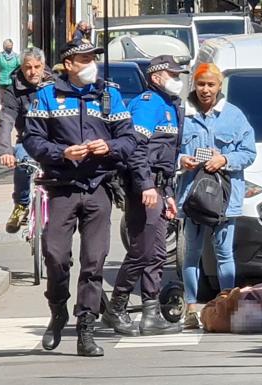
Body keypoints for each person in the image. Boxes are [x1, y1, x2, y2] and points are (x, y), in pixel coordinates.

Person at [23, 39, 136, 356]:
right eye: (84, 59)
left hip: (98, 187)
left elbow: (129, 139)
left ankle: (86, 327)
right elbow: (32, 139)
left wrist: (109, 147)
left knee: (94, 261)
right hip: (61, 187)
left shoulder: (108, 95)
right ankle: (58, 309)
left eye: (93, 59)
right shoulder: (47, 96)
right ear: (68, 64)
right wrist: (61, 153)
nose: (91, 64)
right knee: (55, 256)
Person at [103, 55, 187, 337]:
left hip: (160, 186)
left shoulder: (171, 106)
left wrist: (170, 192)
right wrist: (145, 185)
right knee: (141, 250)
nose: (177, 79)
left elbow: (168, 156)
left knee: (158, 253)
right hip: (145, 185)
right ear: (156, 77)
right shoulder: (147, 104)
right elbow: (135, 149)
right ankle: (116, 307)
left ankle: (151, 312)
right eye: (172, 74)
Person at [176, 63, 256, 329]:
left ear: (220, 86)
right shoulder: (182, 115)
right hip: (193, 196)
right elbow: (169, 149)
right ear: (194, 85)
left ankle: (226, 305)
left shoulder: (234, 116)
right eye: (201, 84)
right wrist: (182, 160)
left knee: (224, 254)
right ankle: (191, 309)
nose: (205, 90)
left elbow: (249, 153)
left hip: (224, 198)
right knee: (192, 255)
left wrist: (224, 159)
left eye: (211, 84)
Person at [0, 47, 53, 234]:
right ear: (21, 67)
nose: (33, 72)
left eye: (37, 67)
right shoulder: (13, 89)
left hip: (55, 139)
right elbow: (6, 119)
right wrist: (5, 150)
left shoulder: (56, 84)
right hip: (28, 140)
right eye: (28, 67)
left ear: (43, 66)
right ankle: (21, 205)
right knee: (23, 164)